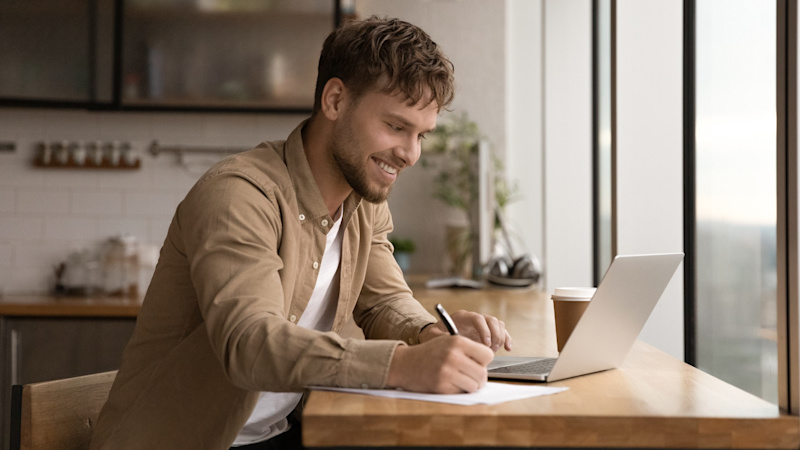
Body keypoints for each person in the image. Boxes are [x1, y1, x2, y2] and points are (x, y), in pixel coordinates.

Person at [90, 16, 512, 450]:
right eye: (396, 127)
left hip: (280, 433)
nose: (410, 154)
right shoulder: (239, 195)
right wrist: (402, 364)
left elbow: (385, 300)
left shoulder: (365, 201)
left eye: (421, 134)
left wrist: (429, 333)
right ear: (334, 100)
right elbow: (249, 343)